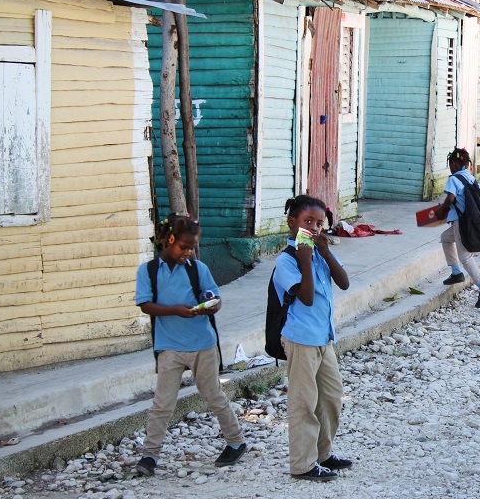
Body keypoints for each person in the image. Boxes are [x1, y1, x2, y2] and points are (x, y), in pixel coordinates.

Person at [134, 213, 246, 477]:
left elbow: (215, 299)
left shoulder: (199, 270)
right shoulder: (148, 271)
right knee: (162, 403)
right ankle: (149, 456)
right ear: (168, 240)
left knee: (213, 395)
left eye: (192, 247)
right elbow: (144, 305)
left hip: (202, 345)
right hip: (169, 347)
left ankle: (236, 441)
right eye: (183, 247)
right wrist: (175, 310)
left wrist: (209, 305)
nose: (188, 252)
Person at [273, 195, 352, 482]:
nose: (314, 228)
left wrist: (326, 253)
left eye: (319, 223)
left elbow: (343, 282)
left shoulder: (319, 252)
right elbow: (305, 298)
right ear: (292, 223)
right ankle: (303, 464)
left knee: (331, 396)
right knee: (303, 402)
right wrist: (305, 259)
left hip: (323, 337)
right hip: (300, 339)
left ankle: (323, 453)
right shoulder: (286, 260)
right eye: (308, 222)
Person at [435, 148, 480, 309]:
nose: (450, 167)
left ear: (454, 163)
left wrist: (441, 210)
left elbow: (450, 198)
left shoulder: (454, 179)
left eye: (450, 164)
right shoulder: (470, 177)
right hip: (470, 220)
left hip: (462, 222)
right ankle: (456, 272)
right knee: (446, 238)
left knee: (466, 257)